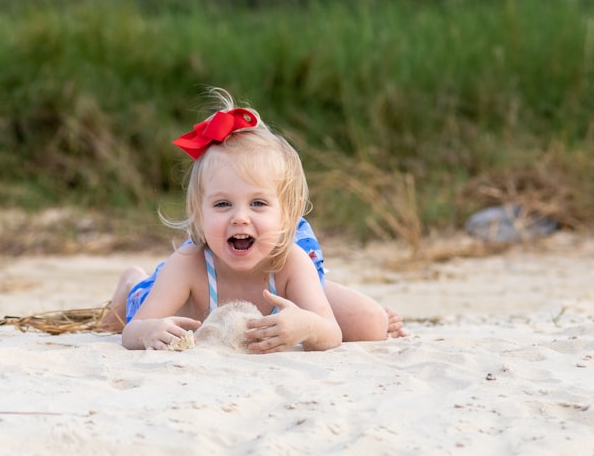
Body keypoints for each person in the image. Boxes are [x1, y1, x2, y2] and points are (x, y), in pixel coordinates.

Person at [101, 88, 406, 352]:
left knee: (366, 324)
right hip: (161, 298)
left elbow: (331, 333)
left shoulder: (291, 262)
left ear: (288, 214)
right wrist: (149, 331)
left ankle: (321, 291)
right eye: (222, 204)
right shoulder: (189, 263)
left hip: (291, 273)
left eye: (258, 203)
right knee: (135, 304)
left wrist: (307, 327)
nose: (240, 218)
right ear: (198, 212)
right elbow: (133, 331)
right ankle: (131, 282)